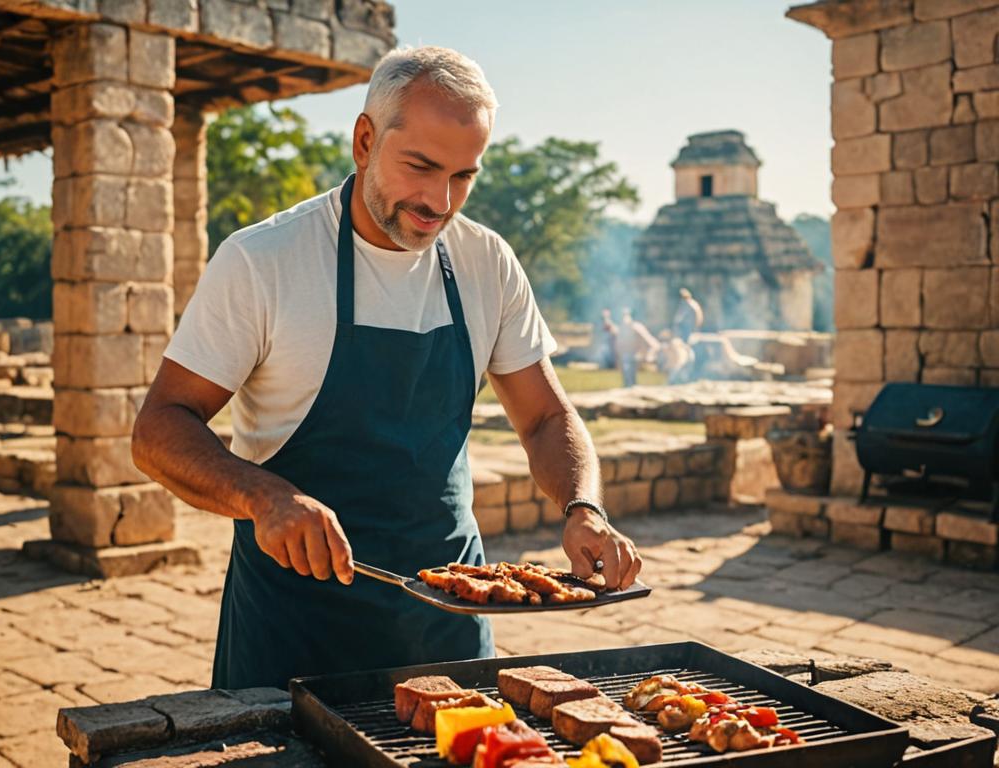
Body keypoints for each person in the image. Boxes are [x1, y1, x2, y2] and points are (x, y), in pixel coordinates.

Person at [131, 46, 642, 691]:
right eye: (421, 167)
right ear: (365, 140)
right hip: (295, 631)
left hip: (450, 623)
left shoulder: (488, 263)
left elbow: (544, 417)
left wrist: (583, 505)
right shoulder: (264, 260)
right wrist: (263, 495)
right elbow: (158, 428)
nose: (440, 201)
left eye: (463, 176)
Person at [615, 308, 658, 387]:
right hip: (627, 355)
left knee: (628, 367)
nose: (625, 317)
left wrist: (649, 354)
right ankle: (629, 387)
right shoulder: (622, 327)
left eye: (627, 315)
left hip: (636, 354)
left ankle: (630, 387)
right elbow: (619, 343)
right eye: (624, 315)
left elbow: (651, 341)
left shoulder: (637, 326)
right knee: (627, 374)